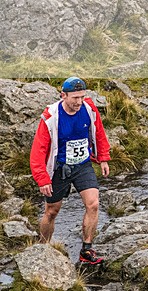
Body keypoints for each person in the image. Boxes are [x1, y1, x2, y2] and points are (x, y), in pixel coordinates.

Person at [30, 77, 111, 265]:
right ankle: (43, 249)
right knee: (52, 211)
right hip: (59, 169)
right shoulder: (51, 117)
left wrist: (103, 158)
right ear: (63, 95)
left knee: (93, 204)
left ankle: (86, 250)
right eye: (75, 98)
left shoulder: (89, 109)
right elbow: (38, 150)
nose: (79, 101)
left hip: (83, 165)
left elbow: (99, 132)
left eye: (82, 97)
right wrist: (43, 179)